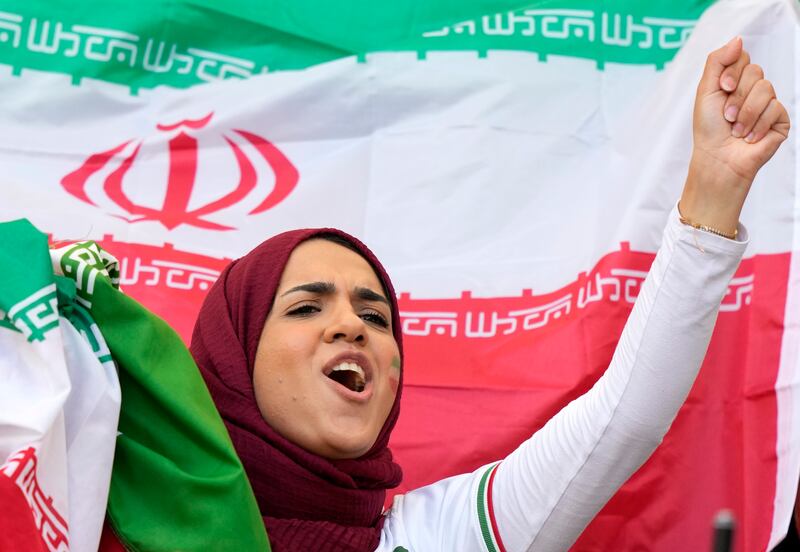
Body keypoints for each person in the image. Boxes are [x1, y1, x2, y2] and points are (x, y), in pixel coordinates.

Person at [188, 37, 788, 552]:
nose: (353, 326)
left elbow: (623, 418)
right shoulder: (119, 517)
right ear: (232, 363)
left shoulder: (438, 535)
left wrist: (714, 192)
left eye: (376, 315)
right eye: (305, 306)